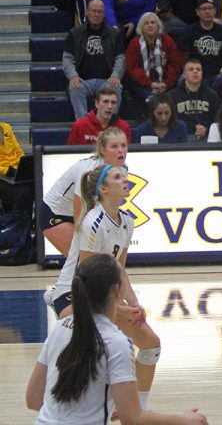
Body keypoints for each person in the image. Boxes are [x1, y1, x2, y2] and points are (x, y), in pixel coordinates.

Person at [26, 254, 208, 425]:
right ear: (117, 290)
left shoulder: (60, 326)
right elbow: (132, 418)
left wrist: (85, 409)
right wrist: (182, 419)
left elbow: (33, 399)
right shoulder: (117, 342)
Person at [45, 164, 164, 415]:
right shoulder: (93, 221)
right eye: (118, 177)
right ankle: (60, 305)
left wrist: (133, 304)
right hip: (75, 292)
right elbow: (87, 278)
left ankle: (136, 411)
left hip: (104, 296)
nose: (125, 181)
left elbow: (117, 270)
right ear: (103, 189)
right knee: (98, 351)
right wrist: (119, 311)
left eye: (126, 176)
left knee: (151, 345)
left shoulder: (127, 221)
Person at [39, 128, 127, 258]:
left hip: (86, 215)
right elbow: (79, 214)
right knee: (85, 263)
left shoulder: (122, 169)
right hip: (55, 214)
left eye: (123, 145)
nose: (121, 150)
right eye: (114, 146)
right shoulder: (88, 171)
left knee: (102, 264)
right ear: (103, 149)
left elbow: (109, 205)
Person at [63, 0, 126, 120]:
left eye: (100, 12)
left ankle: (110, 123)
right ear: (87, 12)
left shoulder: (114, 34)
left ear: (104, 14)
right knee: (75, 87)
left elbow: (120, 58)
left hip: (107, 81)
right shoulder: (75, 33)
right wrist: (72, 76)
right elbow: (67, 59)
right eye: (94, 11)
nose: (96, 14)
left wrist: (116, 75)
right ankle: (82, 126)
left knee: (116, 86)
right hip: (83, 81)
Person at [178, 0, 222, 98]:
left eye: (210, 8)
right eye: (203, 9)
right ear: (198, 12)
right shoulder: (189, 31)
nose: (207, 11)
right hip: (196, 74)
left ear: (215, 11)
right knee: (182, 79)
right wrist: (187, 70)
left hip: (217, 76)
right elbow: (183, 57)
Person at [125, 11, 183, 107]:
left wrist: (166, 84)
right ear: (141, 27)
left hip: (166, 84)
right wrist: (150, 84)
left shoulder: (168, 41)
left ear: (158, 26)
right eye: (146, 23)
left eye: (153, 22)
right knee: (152, 99)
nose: (150, 25)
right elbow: (133, 68)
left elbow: (175, 64)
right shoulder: (134, 44)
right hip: (142, 85)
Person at [167, 58, 221, 140]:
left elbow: (219, 120)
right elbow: (168, 121)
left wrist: (207, 130)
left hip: (207, 139)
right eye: (191, 69)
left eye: (198, 69)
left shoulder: (212, 95)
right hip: (181, 140)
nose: (195, 72)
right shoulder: (172, 96)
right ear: (184, 74)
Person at [68, 86, 132, 145]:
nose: (109, 106)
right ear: (96, 104)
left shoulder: (123, 127)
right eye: (105, 101)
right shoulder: (79, 126)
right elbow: (70, 154)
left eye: (113, 103)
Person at [0, 123, 34, 214]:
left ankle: (30, 223)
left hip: (15, 170)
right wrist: (6, 170)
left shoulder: (6, 127)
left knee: (37, 185)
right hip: (2, 174)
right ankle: (15, 224)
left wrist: (24, 164)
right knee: (23, 193)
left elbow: (18, 150)